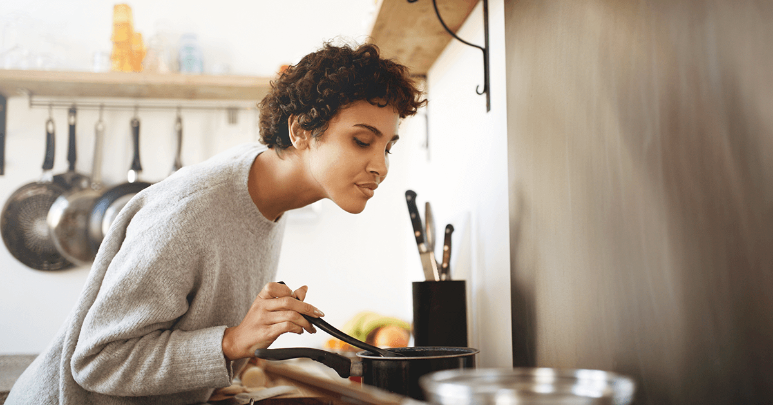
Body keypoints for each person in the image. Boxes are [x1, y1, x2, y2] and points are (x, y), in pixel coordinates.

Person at [6, 41, 426, 405]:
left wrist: (220, 371)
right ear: (301, 130)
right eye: (362, 140)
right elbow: (98, 362)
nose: (381, 167)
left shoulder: (269, 194)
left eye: (388, 147)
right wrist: (231, 341)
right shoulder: (192, 211)